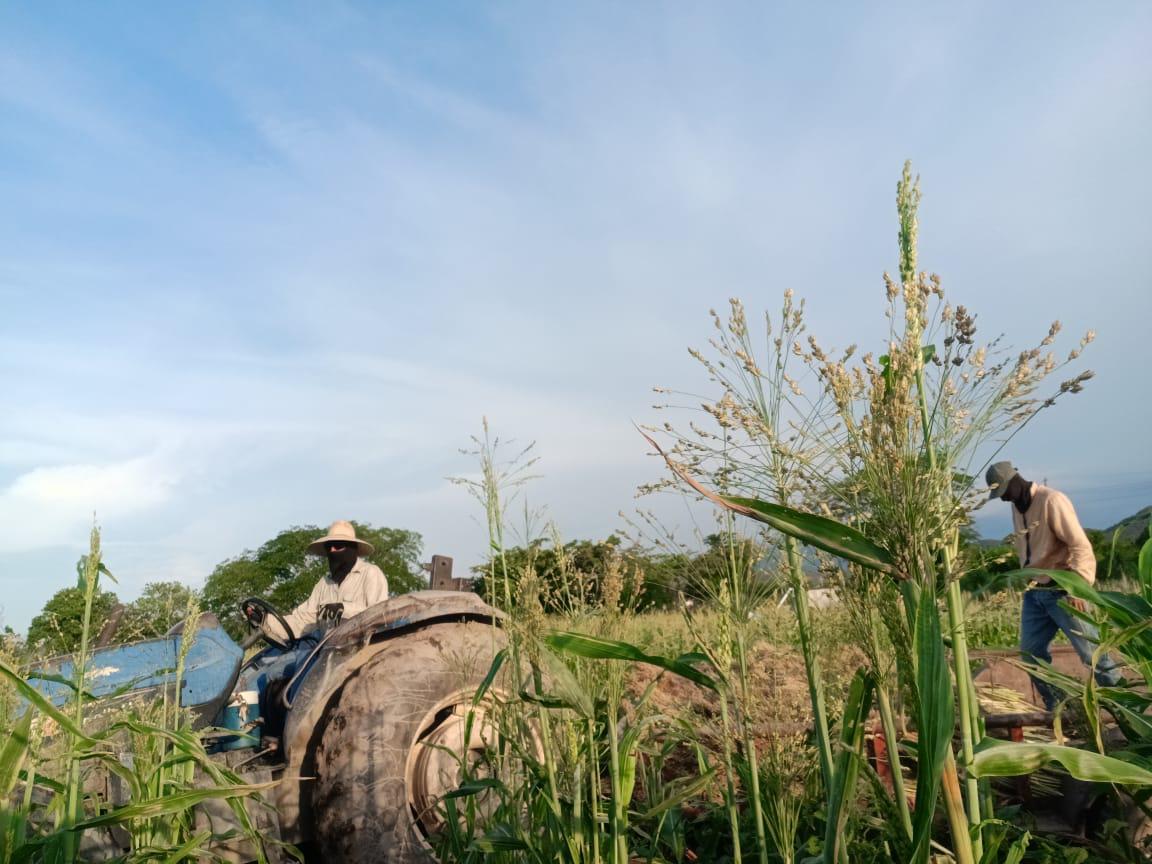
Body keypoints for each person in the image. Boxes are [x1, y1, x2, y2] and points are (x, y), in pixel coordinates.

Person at [985, 461, 1120, 710]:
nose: (1003, 499)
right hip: (1035, 592)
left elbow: (1080, 545)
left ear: (1015, 481)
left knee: (1093, 655)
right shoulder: (1018, 505)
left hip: (1062, 590)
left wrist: (1077, 587)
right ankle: (1060, 709)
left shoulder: (1052, 501)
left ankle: (1128, 708)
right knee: (1030, 655)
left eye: (1004, 492)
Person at [238, 520, 389, 735]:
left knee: (301, 679)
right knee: (264, 671)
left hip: (353, 649)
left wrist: (343, 609)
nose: (333, 550)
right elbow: (303, 618)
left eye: (339, 545)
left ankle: (296, 735)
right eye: (330, 546)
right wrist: (266, 621)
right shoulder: (324, 583)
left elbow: (379, 614)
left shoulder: (370, 575)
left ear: (353, 549)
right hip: (319, 646)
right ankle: (250, 732)